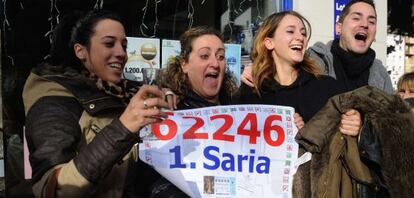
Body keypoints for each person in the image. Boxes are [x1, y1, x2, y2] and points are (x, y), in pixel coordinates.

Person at [22, 10, 170, 197]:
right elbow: (55, 189)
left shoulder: (123, 91)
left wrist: (168, 93)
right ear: (80, 50)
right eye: (109, 43)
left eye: (124, 45)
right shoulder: (53, 99)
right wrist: (124, 127)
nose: (121, 53)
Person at [147, 26, 238, 197]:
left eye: (221, 56)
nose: (215, 63)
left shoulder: (240, 110)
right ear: (184, 64)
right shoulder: (169, 113)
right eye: (205, 56)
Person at [237, 10, 361, 135]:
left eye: (303, 33)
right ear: (269, 42)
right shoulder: (252, 90)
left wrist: (356, 123)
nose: (300, 38)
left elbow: (342, 139)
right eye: (290, 31)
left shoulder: (327, 88)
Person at [241, 0, 393, 94]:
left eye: (371, 21)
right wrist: (256, 69)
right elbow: (282, 68)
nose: (365, 25)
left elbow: (393, 124)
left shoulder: (380, 75)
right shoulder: (312, 59)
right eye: (356, 18)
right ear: (338, 28)